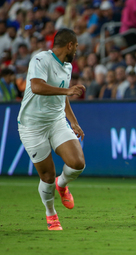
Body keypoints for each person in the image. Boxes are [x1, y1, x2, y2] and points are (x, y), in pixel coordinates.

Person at [17, 28, 86, 231]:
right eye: (77, 46)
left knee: (77, 163)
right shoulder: (41, 59)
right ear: (70, 45)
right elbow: (37, 86)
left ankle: (62, 185)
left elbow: (62, 97)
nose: (78, 50)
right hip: (32, 126)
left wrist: (73, 121)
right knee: (47, 176)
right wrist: (67, 90)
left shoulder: (67, 65)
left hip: (56, 121)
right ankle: (51, 214)